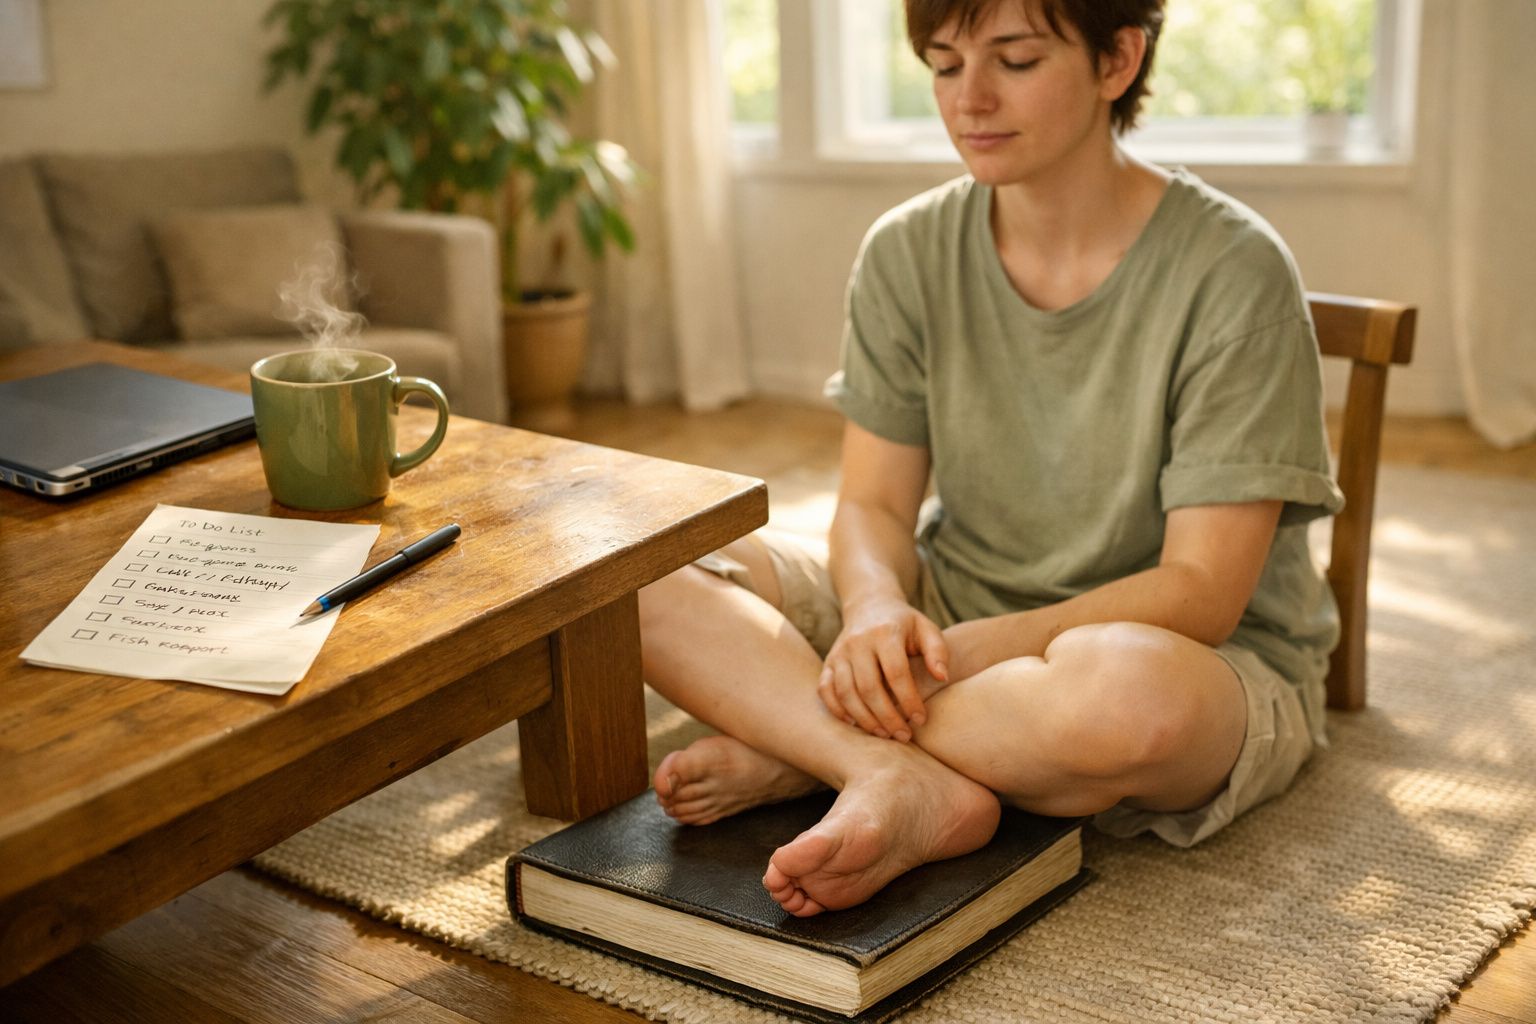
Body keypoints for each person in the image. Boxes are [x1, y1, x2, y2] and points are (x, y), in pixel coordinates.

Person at [638, 0, 1343, 918]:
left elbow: (1202, 593)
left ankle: (802, 750)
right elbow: (876, 509)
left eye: (1013, 60)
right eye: (942, 63)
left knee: (1127, 696)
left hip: (1182, 655)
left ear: (1117, 59)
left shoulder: (1236, 269)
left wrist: (952, 657)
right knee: (639, 572)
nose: (969, 100)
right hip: (948, 610)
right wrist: (879, 610)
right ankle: (881, 770)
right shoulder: (906, 249)